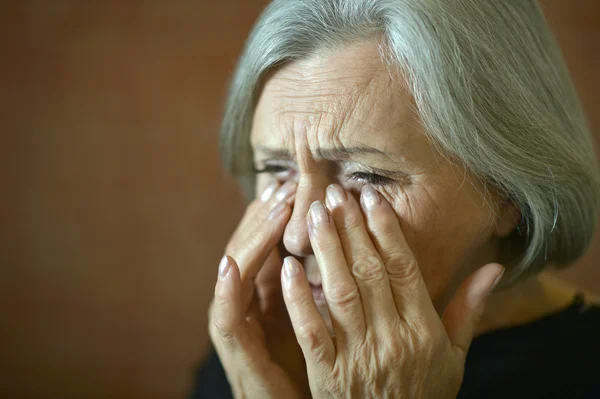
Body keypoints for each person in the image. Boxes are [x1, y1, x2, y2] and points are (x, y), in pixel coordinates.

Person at [192, 0, 600, 398]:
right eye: (278, 171)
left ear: (510, 191)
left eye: (369, 176)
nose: (298, 235)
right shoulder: (256, 352)